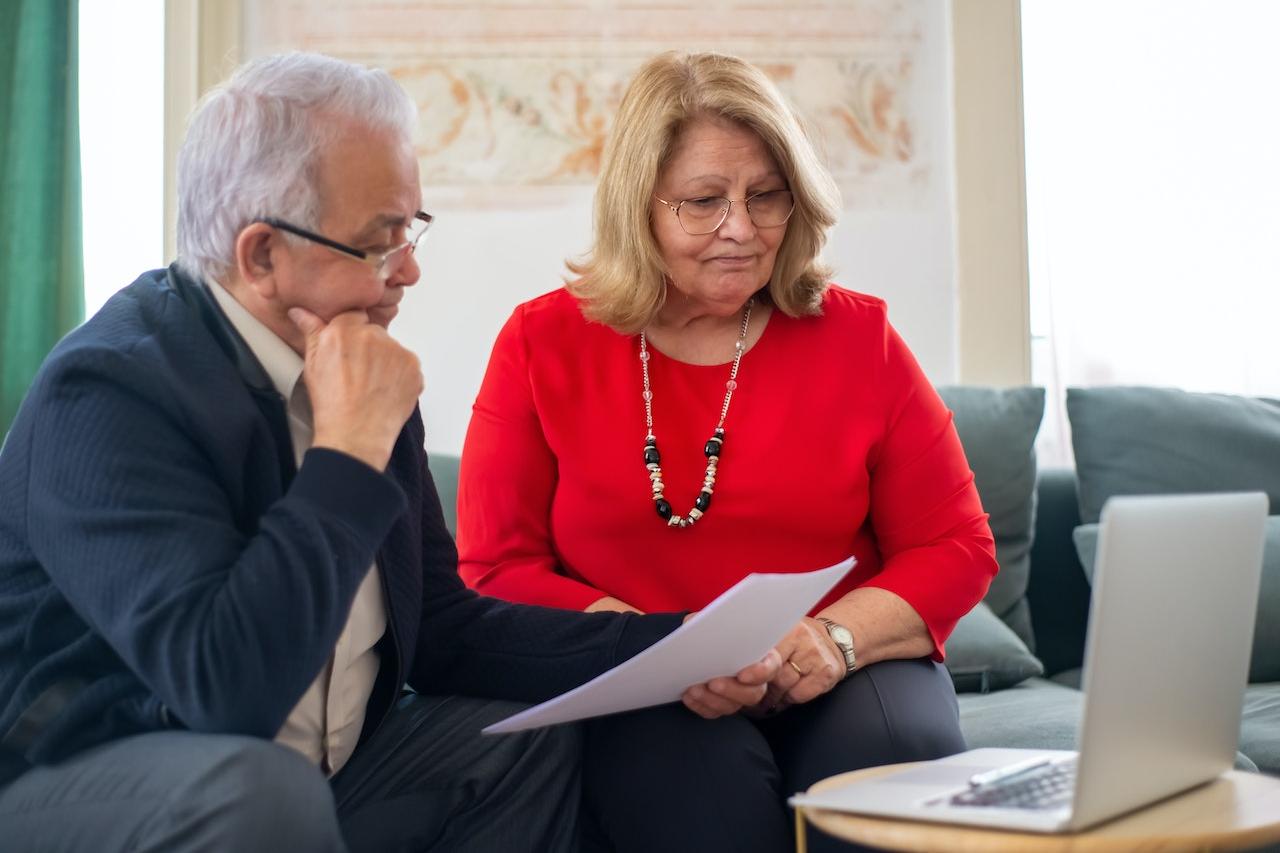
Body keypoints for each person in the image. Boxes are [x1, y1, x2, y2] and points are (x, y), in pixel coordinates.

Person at [0, 52, 780, 853]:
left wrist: (679, 646)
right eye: (379, 242)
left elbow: (446, 630)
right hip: (82, 783)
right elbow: (227, 689)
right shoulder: (110, 392)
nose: (407, 269)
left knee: (519, 739)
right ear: (261, 254)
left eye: (411, 229)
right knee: (258, 792)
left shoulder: (356, 358)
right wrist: (347, 450)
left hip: (317, 778)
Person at [457, 51, 999, 853]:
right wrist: (654, 649)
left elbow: (957, 544)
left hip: (841, 664)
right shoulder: (543, 341)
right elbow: (494, 567)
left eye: (766, 196)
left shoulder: (860, 338)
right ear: (639, 206)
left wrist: (833, 639)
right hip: (643, 680)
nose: (740, 228)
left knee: (891, 761)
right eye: (704, 201)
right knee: (692, 790)